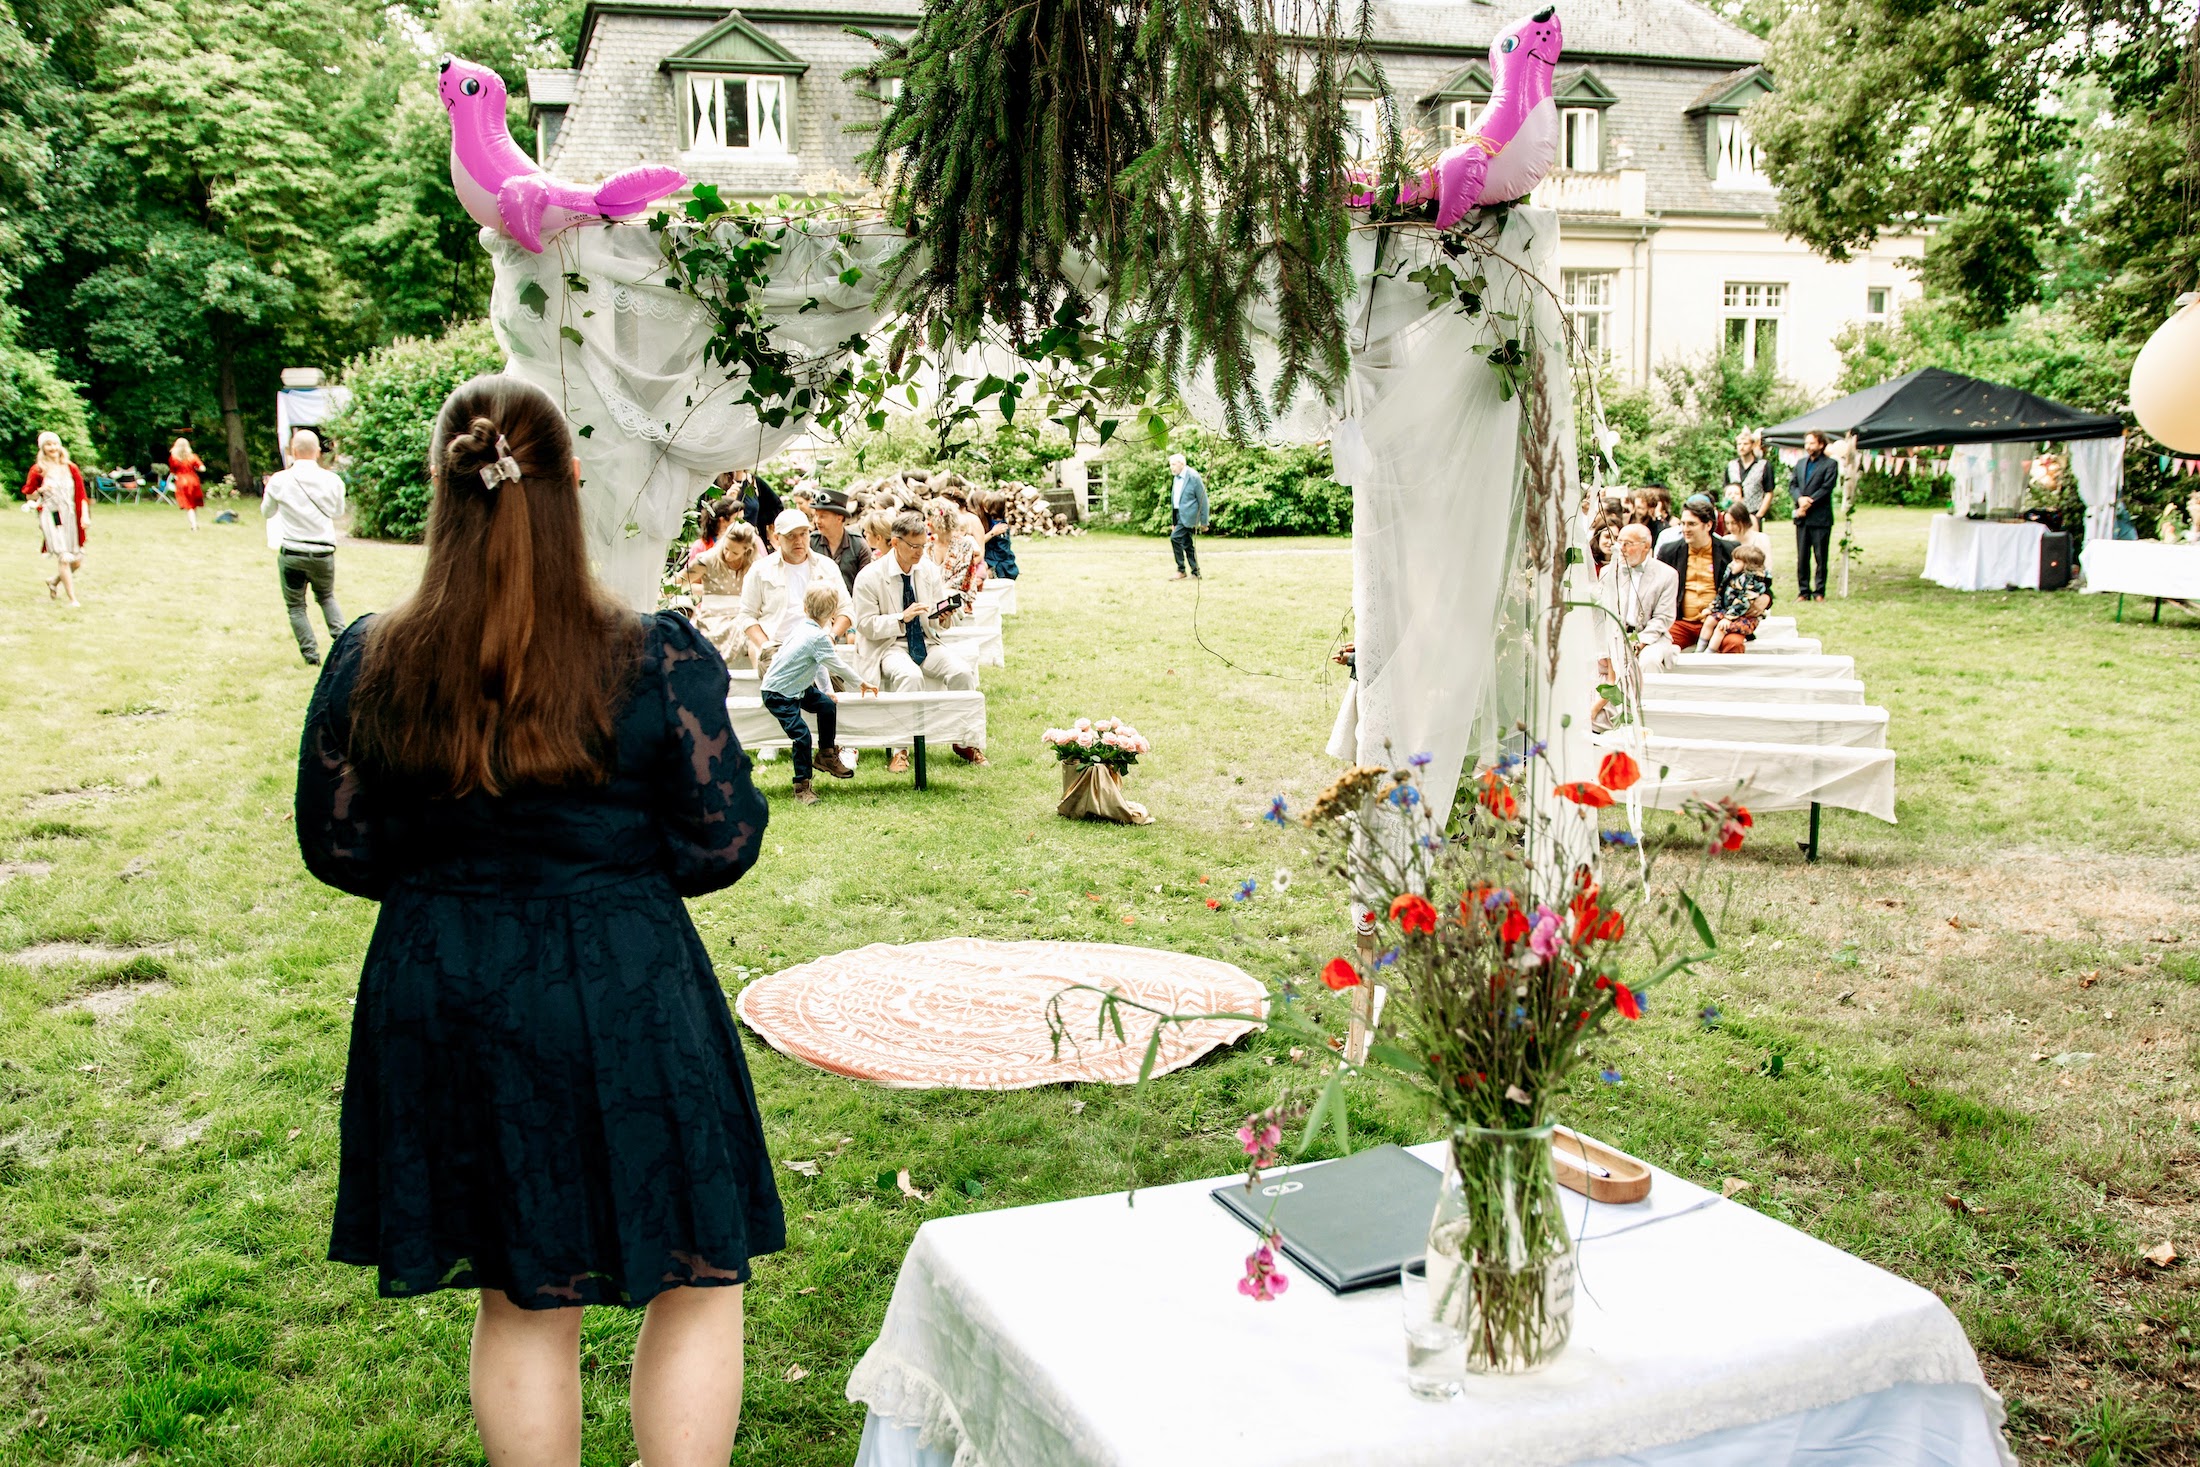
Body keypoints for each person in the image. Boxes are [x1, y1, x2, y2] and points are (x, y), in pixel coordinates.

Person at [295, 374, 776, 1467]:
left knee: (522, 1284)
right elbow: (721, 842)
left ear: (440, 490)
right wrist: (601, 870)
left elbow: (342, 845)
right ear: (571, 484)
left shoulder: (374, 654)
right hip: (622, 978)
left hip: (448, 985)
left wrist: (457, 881)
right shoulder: (655, 654)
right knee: (696, 1271)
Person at [851, 509, 986, 768]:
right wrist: (901, 618)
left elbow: (933, 617)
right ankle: (900, 750)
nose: (920, 552)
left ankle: (966, 741)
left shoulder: (927, 570)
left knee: (962, 672)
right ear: (894, 543)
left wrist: (943, 616)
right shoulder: (869, 576)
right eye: (914, 546)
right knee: (910, 677)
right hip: (888, 646)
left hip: (925, 641)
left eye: (924, 546)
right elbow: (865, 626)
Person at [758, 582, 859, 805]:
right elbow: (838, 666)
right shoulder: (816, 636)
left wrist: (826, 692)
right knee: (802, 736)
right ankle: (802, 786)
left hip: (799, 688)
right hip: (778, 693)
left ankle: (825, 754)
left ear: (805, 607)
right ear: (833, 614)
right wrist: (861, 683)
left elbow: (821, 665)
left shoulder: (807, 630)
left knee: (826, 705)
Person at [262, 429, 348, 666]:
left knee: (296, 607)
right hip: (323, 552)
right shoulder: (333, 481)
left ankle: (311, 656)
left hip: (292, 553)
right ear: (318, 452)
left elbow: (266, 512)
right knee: (327, 597)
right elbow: (338, 512)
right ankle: (343, 647)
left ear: (292, 451)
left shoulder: (279, 480)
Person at [735, 508, 851, 681]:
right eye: (791, 536)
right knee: (783, 688)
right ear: (777, 538)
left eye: (803, 534)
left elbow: (846, 609)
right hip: (777, 646)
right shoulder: (760, 570)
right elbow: (746, 616)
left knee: (831, 693)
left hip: (818, 644)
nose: (799, 541)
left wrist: (831, 637)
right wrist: (765, 645)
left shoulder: (826, 566)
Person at [1656, 498, 1771, 653]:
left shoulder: (1730, 550)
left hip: (1721, 620)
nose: (1685, 529)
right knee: (1660, 645)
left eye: (1691, 524)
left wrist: (1766, 598)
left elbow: (1758, 581)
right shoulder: (1669, 551)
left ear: (1708, 525)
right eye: (1683, 523)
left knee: (1733, 644)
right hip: (1683, 621)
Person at [685, 505, 761, 660]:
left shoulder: (755, 565)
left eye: (734, 552)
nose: (727, 555)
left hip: (741, 616)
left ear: (746, 550)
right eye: (726, 548)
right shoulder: (708, 560)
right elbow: (678, 583)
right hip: (711, 617)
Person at [20, 431, 87, 606]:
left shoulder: (70, 467)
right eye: (48, 444)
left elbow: (81, 494)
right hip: (51, 514)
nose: (52, 448)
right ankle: (73, 599)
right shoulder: (38, 470)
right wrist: (41, 490)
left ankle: (54, 581)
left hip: (71, 515)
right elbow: (30, 496)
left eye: (55, 444)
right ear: (43, 448)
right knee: (64, 557)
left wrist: (85, 516)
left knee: (77, 560)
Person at [1699, 542, 1774, 654]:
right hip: (1728, 611)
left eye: (1737, 561)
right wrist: (1712, 608)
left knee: (1721, 628)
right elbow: (1722, 593)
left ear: (1748, 565)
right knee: (1710, 620)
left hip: (1745, 617)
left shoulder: (1754, 582)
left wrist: (1728, 618)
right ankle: (1699, 651)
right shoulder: (1732, 575)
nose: (1732, 564)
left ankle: (1709, 654)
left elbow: (1744, 603)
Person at [1790, 430, 1838, 601]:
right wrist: (1799, 499)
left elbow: (1827, 487)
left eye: (1812, 443)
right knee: (1802, 557)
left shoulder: (1830, 464)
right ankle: (1803, 591)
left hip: (1820, 517)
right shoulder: (1800, 463)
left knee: (1820, 557)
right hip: (1802, 518)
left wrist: (1809, 502)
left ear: (1821, 444)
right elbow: (1793, 485)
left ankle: (1819, 591)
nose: (1808, 446)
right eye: (1807, 443)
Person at [809, 488, 870, 588]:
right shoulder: (811, 543)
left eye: (823, 516)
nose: (817, 521)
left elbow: (866, 584)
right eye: (816, 515)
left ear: (839, 518)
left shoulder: (858, 546)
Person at [1167, 451, 1207, 580]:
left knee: (1175, 538)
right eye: (1170, 465)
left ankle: (1181, 570)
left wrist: (1204, 521)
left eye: (1173, 464)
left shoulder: (1193, 476)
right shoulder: (1176, 477)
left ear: (1181, 464)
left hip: (1189, 516)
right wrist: (1174, 521)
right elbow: (1175, 500)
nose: (1171, 467)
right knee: (1188, 544)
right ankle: (1196, 572)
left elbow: (1203, 499)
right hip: (1179, 515)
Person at [721, 468, 783, 541]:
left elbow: (777, 506)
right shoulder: (719, 482)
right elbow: (713, 515)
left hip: (752, 538)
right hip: (728, 538)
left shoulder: (753, 481)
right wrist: (728, 500)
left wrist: (758, 521)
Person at [1724, 430, 1771, 519]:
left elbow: (1769, 492)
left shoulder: (1763, 465)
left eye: (1745, 444)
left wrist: (1759, 515)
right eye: (1739, 444)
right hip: (1733, 514)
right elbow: (1726, 490)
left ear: (1752, 445)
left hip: (1754, 513)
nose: (1742, 447)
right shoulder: (1731, 465)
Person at [978, 490, 1020, 580]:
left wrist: (990, 562)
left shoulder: (999, 526)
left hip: (997, 558)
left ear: (988, 509)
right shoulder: (995, 521)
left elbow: (1002, 550)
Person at [170, 437, 207, 531]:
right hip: (193, 480)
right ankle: (195, 523)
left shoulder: (173, 458)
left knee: (189, 505)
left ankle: (193, 525)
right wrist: (196, 468)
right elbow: (202, 468)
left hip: (182, 481)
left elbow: (173, 471)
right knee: (193, 504)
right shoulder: (193, 457)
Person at [1726, 502, 1773, 575]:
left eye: (1734, 523)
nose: (1730, 528)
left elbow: (1768, 568)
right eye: (1727, 523)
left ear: (1744, 521)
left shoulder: (1761, 539)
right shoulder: (1725, 541)